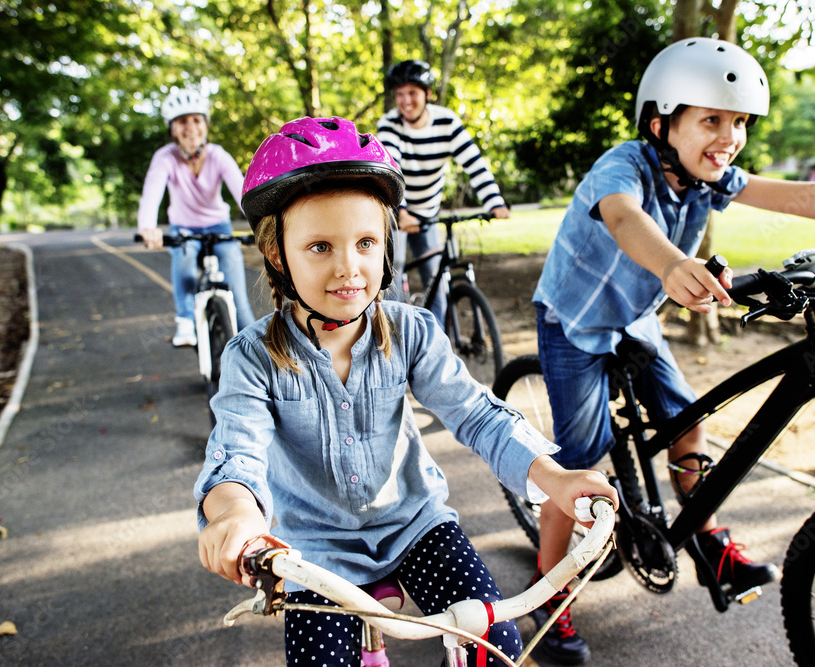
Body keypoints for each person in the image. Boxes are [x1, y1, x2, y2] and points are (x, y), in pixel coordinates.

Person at [530, 37, 815, 666]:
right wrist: (675, 264)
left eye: (738, 121)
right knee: (577, 463)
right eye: (711, 119)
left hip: (634, 319)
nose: (730, 135)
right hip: (574, 322)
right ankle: (549, 590)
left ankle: (705, 536)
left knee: (690, 423)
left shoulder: (713, 177)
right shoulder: (622, 165)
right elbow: (627, 220)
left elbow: (803, 198)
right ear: (661, 124)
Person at [193, 116, 619, 665]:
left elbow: (478, 416)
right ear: (278, 255)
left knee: (495, 646)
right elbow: (236, 453)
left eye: (366, 242)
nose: (350, 268)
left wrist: (553, 478)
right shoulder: (252, 356)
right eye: (320, 246)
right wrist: (234, 516)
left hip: (415, 525)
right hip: (312, 551)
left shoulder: (412, 332)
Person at [377, 60, 512, 326]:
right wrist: (400, 211)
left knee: (437, 281)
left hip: (428, 213)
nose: (405, 101)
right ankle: (389, 342)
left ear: (427, 94)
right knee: (390, 278)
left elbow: (474, 163)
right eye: (400, 94)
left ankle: (435, 344)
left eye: (412, 93)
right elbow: (391, 168)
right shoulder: (390, 123)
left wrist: (495, 202)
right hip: (395, 212)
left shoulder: (446, 121)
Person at [137, 87, 254, 346]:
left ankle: (252, 350)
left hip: (218, 227)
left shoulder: (218, 156)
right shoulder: (165, 158)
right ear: (172, 129)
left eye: (196, 120)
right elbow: (152, 194)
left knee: (238, 296)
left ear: (206, 125)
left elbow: (243, 193)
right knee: (185, 257)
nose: (190, 127)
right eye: (181, 121)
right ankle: (186, 320)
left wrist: (262, 223)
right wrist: (148, 227)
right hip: (184, 229)